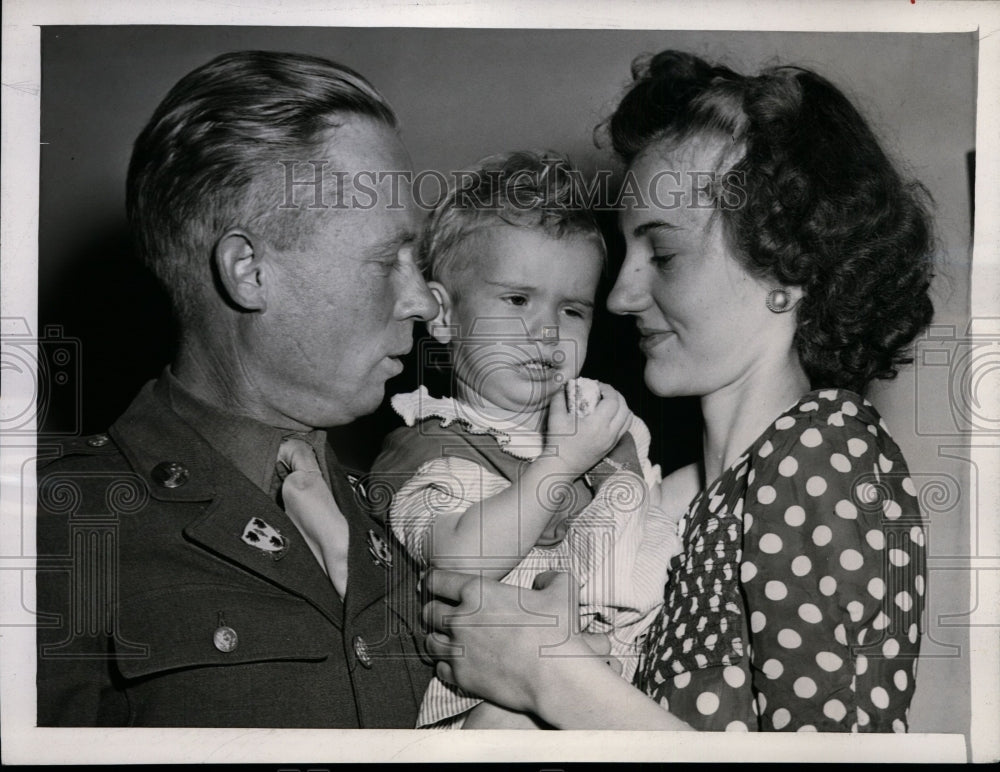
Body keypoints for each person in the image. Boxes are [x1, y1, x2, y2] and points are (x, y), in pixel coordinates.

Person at [422, 50, 933, 732]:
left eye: (662, 254)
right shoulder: (676, 499)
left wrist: (546, 674)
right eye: (626, 254)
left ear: (790, 264)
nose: (624, 294)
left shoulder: (823, 451)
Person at [35, 50, 439, 727]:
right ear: (249, 272)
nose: (424, 300)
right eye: (384, 260)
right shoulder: (60, 531)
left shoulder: (412, 517)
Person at [370, 151, 682, 728]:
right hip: (483, 704)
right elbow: (460, 557)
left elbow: (656, 524)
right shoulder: (429, 444)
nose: (547, 332)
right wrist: (560, 465)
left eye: (572, 310)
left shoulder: (602, 426)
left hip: (613, 686)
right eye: (517, 300)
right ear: (443, 316)